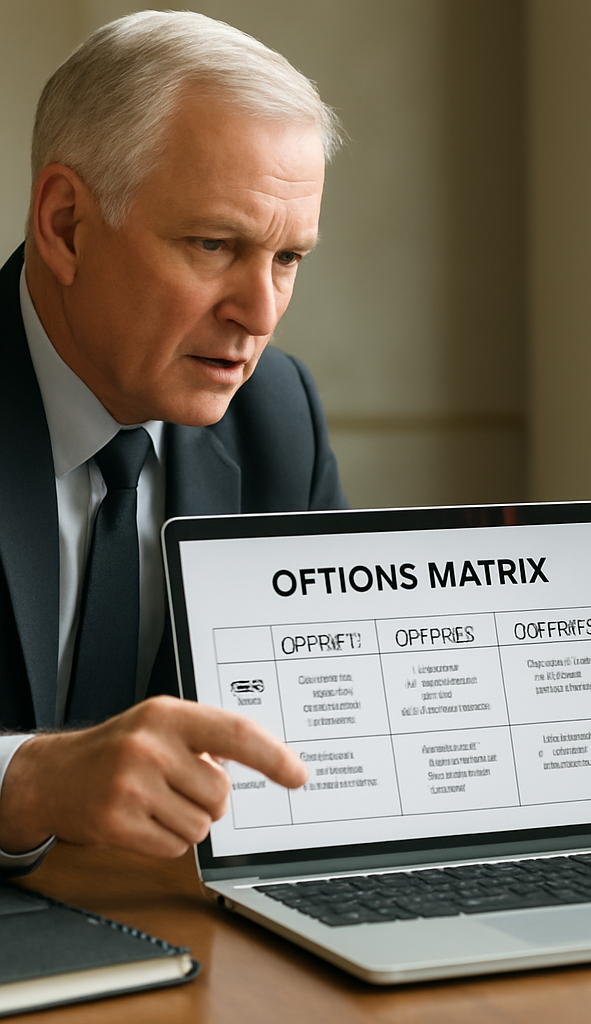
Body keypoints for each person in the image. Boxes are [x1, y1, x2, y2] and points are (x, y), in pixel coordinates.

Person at [0, 11, 347, 872]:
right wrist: (26, 783)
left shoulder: (279, 415)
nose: (259, 316)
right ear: (67, 224)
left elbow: (326, 722)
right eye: (213, 244)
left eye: (288, 259)